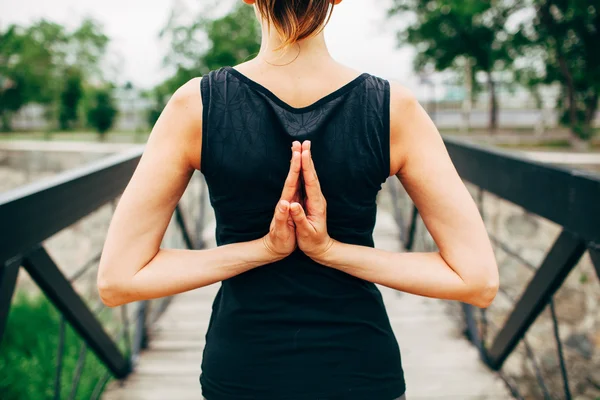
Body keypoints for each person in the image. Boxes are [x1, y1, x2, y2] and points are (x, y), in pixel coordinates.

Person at [97, 0, 499, 399]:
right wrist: (330, 251)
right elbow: (477, 280)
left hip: (244, 372)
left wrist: (263, 250)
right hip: (360, 372)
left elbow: (119, 281)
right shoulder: (394, 109)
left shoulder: (197, 105)